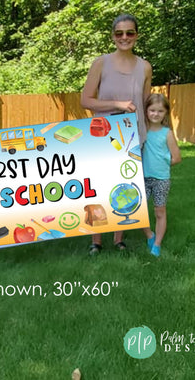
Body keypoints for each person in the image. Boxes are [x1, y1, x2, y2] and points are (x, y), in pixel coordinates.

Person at [81, 14, 152, 254]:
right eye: (119, 33)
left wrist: (155, 134)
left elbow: (144, 105)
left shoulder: (145, 67)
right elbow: (85, 100)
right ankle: (95, 241)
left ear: (136, 35)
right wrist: (119, 105)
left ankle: (118, 238)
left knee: (126, 187)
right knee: (99, 187)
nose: (125, 37)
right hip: (104, 137)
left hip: (135, 137)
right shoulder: (101, 63)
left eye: (130, 33)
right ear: (113, 36)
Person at [142, 93, 181, 257]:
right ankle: (149, 235)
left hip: (161, 179)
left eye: (160, 111)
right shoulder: (141, 131)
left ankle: (157, 244)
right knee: (139, 212)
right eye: (152, 110)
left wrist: (163, 162)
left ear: (165, 113)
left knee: (160, 211)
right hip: (142, 178)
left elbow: (177, 158)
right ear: (146, 111)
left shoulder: (167, 133)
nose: (155, 114)